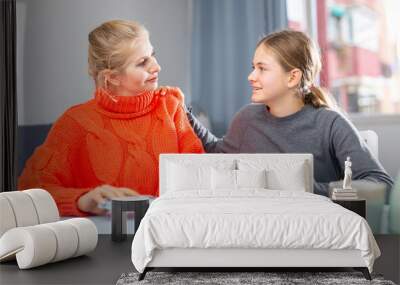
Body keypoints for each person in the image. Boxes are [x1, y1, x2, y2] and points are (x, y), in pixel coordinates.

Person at [18, 20, 204, 216]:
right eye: (142, 62)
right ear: (113, 77)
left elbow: (199, 174)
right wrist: (83, 200)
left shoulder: (170, 107)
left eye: (152, 55)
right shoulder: (74, 122)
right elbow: (30, 191)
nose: (157, 67)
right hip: (103, 241)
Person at [187, 30, 393, 199]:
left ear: (293, 78)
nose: (251, 76)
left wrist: (309, 190)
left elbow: (380, 184)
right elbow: (217, 153)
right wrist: (183, 114)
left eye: (262, 69)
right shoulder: (247, 119)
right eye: (253, 68)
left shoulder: (330, 124)